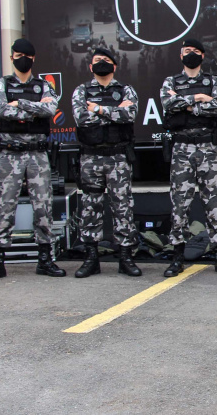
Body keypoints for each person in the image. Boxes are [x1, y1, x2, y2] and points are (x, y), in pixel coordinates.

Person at [0, 39, 66, 282]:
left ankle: (45, 260)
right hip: (9, 154)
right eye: (18, 54)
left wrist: (19, 103)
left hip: (37, 154)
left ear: (33, 58)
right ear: (11, 58)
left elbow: (50, 110)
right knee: (4, 206)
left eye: (27, 55)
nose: (22, 59)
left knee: (43, 206)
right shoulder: (2, 84)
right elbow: (0, 110)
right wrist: (33, 107)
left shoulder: (43, 85)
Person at [159, 38, 217, 277]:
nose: (190, 54)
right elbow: (168, 104)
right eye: (186, 51)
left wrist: (188, 105)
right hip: (182, 150)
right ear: (180, 55)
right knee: (179, 206)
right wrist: (200, 99)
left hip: (207, 149)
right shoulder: (170, 82)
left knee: (213, 204)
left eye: (194, 51)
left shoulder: (213, 81)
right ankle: (177, 257)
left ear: (202, 55)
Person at [71, 48, 141, 278]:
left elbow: (129, 115)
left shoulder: (125, 90)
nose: (102, 64)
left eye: (106, 60)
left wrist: (99, 109)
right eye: (97, 61)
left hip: (118, 157)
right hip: (90, 158)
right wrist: (113, 112)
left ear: (115, 65)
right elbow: (82, 119)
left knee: (123, 207)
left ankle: (125, 258)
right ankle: (91, 258)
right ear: (90, 67)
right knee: (90, 207)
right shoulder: (82, 91)